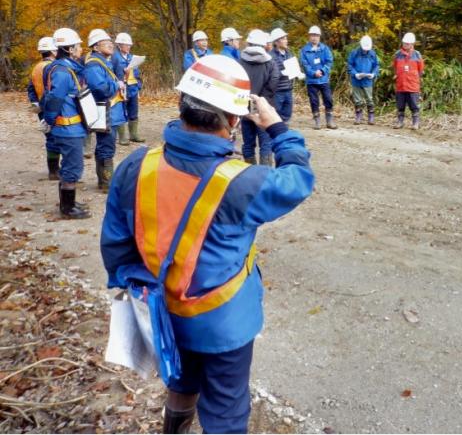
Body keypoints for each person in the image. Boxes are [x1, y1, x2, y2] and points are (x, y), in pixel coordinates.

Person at [100, 54, 314, 434]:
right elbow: (299, 179)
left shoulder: (136, 165)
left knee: (181, 383)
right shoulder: (244, 182)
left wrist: (132, 290)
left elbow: (117, 243)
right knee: (226, 410)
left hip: (162, 310)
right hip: (223, 321)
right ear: (234, 121)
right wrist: (277, 127)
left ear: (181, 103)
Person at [42, 27, 91, 219]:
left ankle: (67, 202)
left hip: (70, 127)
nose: (80, 49)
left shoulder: (65, 69)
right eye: (78, 46)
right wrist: (49, 120)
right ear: (69, 49)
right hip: (68, 129)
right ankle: (67, 209)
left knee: (71, 166)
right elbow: (55, 99)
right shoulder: (63, 72)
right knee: (73, 166)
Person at [84, 29, 127, 191]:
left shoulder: (103, 62)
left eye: (111, 42)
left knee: (106, 145)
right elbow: (100, 88)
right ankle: (107, 183)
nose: (111, 44)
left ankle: (105, 181)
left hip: (109, 111)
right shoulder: (94, 64)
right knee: (106, 146)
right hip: (105, 112)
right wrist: (117, 85)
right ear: (95, 47)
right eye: (105, 42)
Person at [239, 29, 281, 165]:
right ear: (263, 45)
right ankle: (265, 174)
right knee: (265, 142)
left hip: (244, 106)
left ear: (249, 43)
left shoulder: (240, 61)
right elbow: (274, 81)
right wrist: (262, 100)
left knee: (248, 142)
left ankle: (249, 174)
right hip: (264, 106)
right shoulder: (270, 62)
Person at [28, 36, 60, 180]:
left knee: (50, 138)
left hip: (42, 108)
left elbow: (30, 88)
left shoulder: (36, 67)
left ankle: (53, 170)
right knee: (55, 139)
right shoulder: (54, 67)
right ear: (53, 51)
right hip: (53, 108)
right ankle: (54, 171)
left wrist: (35, 103)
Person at [300, 25, 336, 129]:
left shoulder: (325, 49)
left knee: (328, 99)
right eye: (312, 35)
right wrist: (313, 73)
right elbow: (304, 64)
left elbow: (329, 61)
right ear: (309, 36)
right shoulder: (304, 50)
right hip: (311, 81)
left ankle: (329, 121)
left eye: (316, 35)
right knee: (314, 101)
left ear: (319, 36)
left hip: (324, 79)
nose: (314, 37)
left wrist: (322, 71)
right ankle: (317, 121)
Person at [112, 32, 145, 146]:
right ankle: (122, 137)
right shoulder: (114, 57)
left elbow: (137, 74)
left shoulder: (132, 57)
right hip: (121, 89)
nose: (129, 47)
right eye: (126, 45)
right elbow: (112, 74)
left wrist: (138, 86)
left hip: (133, 88)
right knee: (121, 111)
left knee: (133, 111)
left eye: (129, 45)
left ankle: (134, 135)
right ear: (120, 45)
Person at [393, 32, 424, 130]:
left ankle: (415, 123)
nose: (405, 45)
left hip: (412, 85)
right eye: (404, 43)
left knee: (414, 105)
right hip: (400, 84)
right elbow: (395, 67)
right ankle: (400, 122)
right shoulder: (398, 54)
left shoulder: (417, 55)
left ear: (412, 44)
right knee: (400, 105)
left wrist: (414, 78)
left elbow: (421, 70)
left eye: (407, 43)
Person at [347, 35, 380, 125]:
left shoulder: (372, 54)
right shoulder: (354, 53)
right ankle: (358, 116)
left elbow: (376, 65)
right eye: (364, 48)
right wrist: (355, 74)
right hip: (356, 79)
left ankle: (371, 116)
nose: (365, 50)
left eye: (367, 49)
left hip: (368, 80)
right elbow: (349, 65)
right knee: (358, 100)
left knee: (369, 99)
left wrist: (373, 74)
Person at [270, 28, 295, 125]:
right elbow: (271, 73)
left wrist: (297, 73)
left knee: (287, 116)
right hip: (277, 91)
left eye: (286, 38)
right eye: (284, 39)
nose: (286, 41)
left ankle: (284, 135)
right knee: (276, 117)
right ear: (276, 42)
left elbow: (293, 68)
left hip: (288, 89)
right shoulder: (271, 56)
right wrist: (281, 73)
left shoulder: (289, 54)